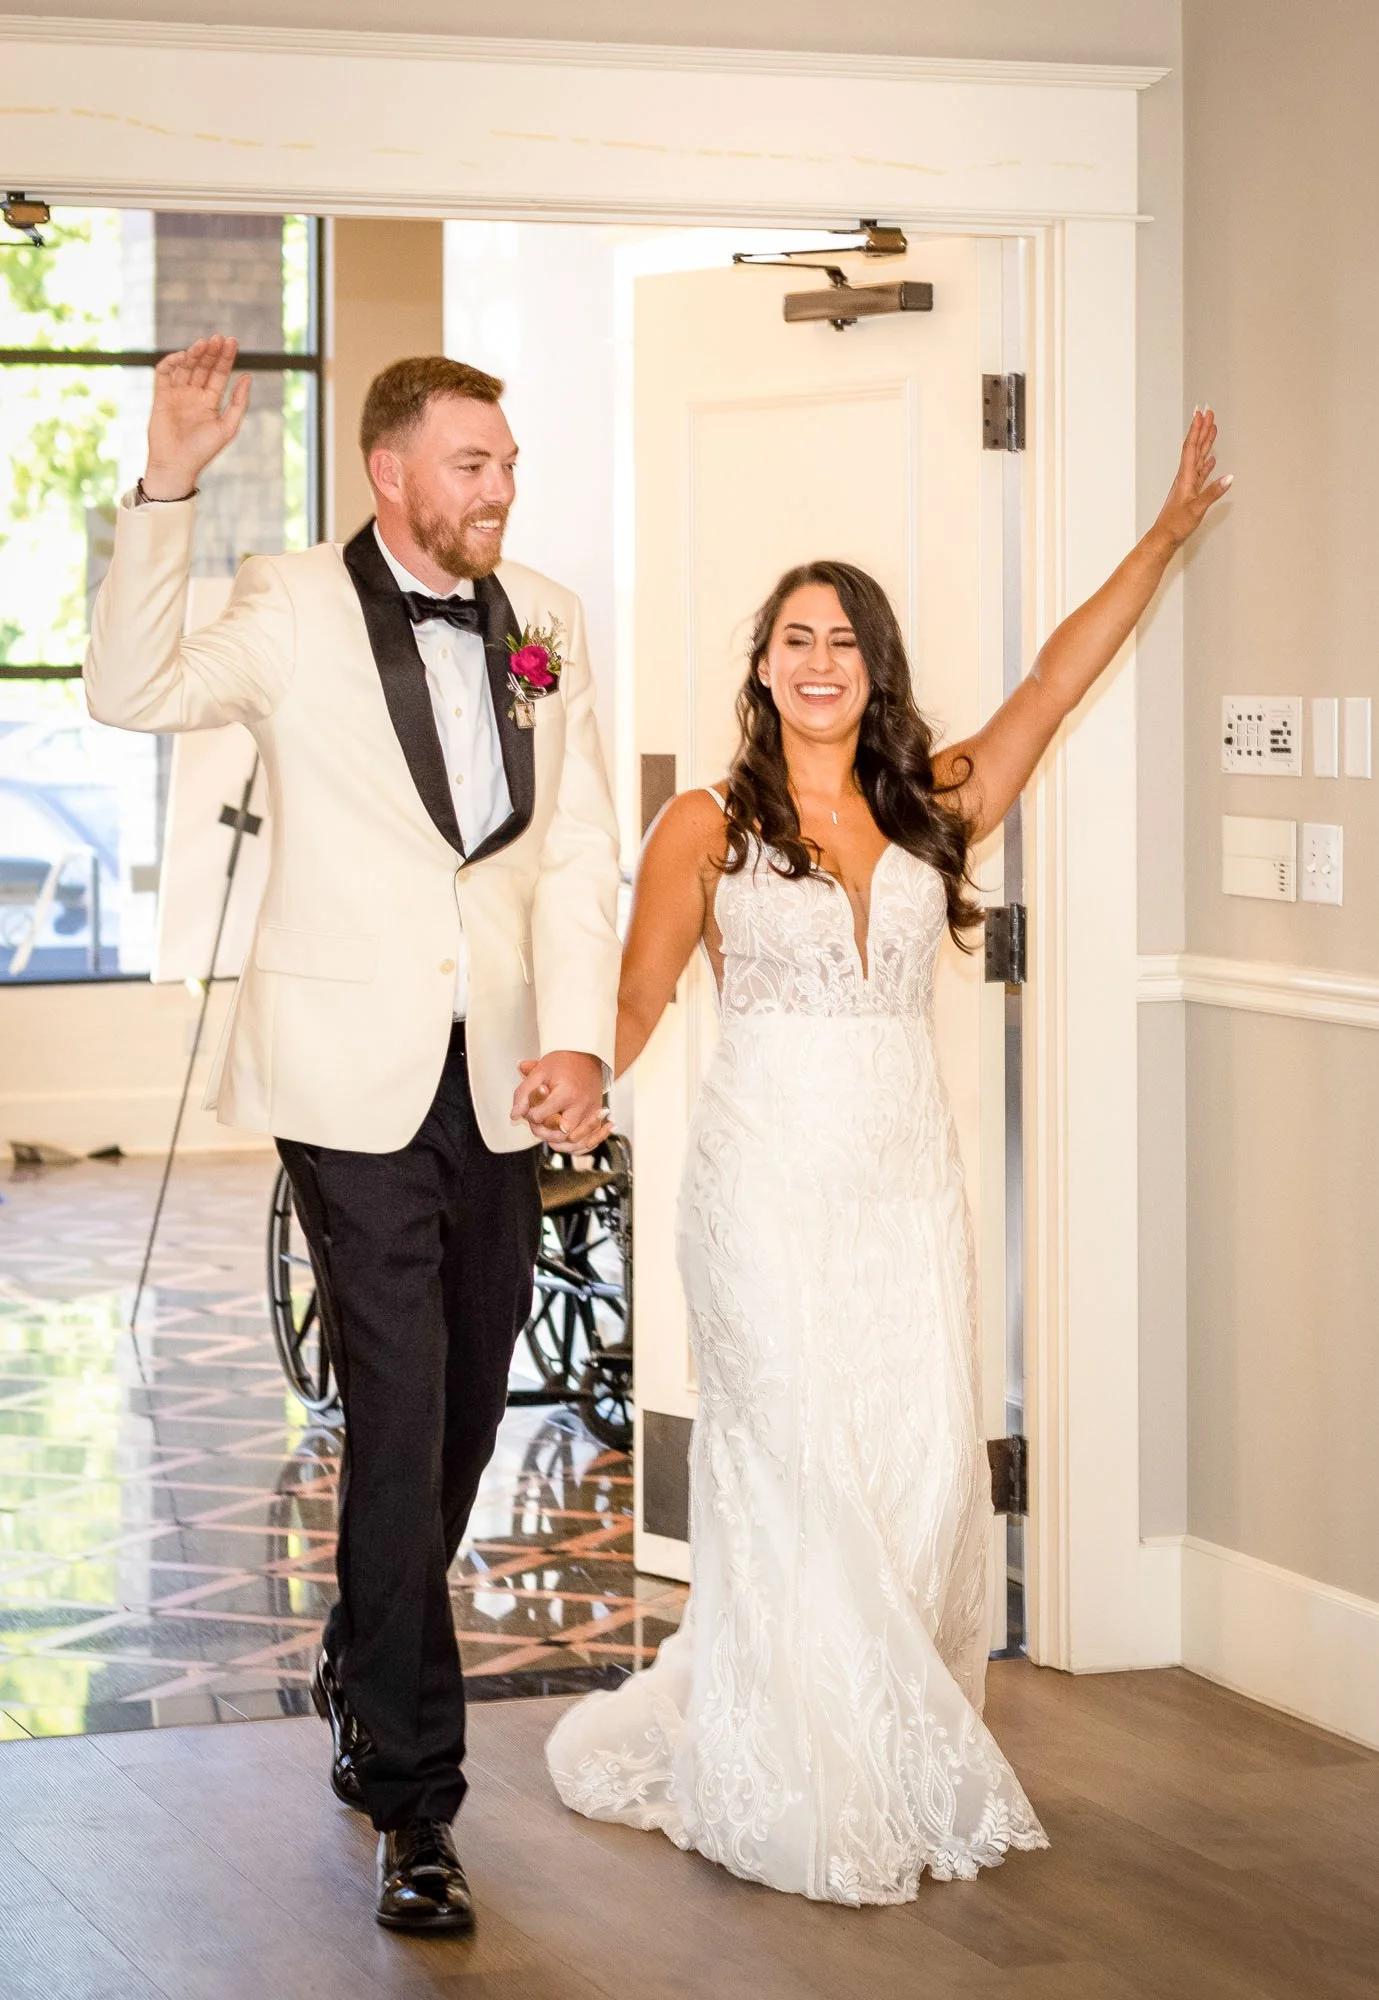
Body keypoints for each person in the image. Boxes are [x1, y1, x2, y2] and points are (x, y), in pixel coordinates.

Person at [545, 411, 1231, 1904]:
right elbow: (642, 992)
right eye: (797, 637)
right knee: (795, 1466)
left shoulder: (935, 803)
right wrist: (588, 1077)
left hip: (905, 1191)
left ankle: (876, 1738)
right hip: (763, 1189)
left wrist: (1167, 539)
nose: (820, 661)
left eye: (846, 641)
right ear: (761, 665)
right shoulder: (706, 824)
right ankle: (801, 1772)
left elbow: (1057, 678)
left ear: (876, 671)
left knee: (913, 1474)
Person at [85, 339, 621, 1934]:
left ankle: (360, 1649)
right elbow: (132, 690)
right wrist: (167, 480)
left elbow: (578, 843)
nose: (502, 490)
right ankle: (415, 1798)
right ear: (392, 473)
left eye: (510, 465)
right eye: (475, 465)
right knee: (398, 1401)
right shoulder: (291, 601)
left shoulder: (553, 623)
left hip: (506, 1066)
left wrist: (579, 1032)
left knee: (464, 1402)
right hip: (345, 1073)